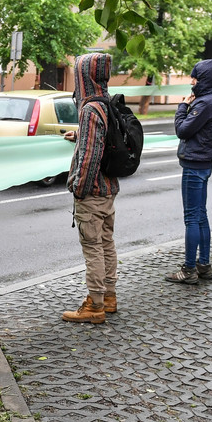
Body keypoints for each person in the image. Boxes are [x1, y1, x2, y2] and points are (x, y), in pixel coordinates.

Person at [61, 53, 120, 324]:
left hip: (93, 192)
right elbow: (100, 140)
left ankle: (94, 305)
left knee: (93, 247)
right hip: (109, 189)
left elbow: (89, 154)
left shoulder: (89, 109)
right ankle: (109, 297)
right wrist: (79, 134)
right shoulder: (107, 103)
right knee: (107, 243)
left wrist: (78, 187)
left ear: (84, 77)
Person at [165, 59, 212, 285]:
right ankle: (204, 265)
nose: (192, 81)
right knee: (201, 215)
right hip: (204, 162)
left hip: (194, 163)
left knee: (192, 217)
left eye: (195, 78)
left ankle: (189, 269)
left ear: (205, 79)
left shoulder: (204, 103)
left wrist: (182, 107)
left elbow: (182, 130)